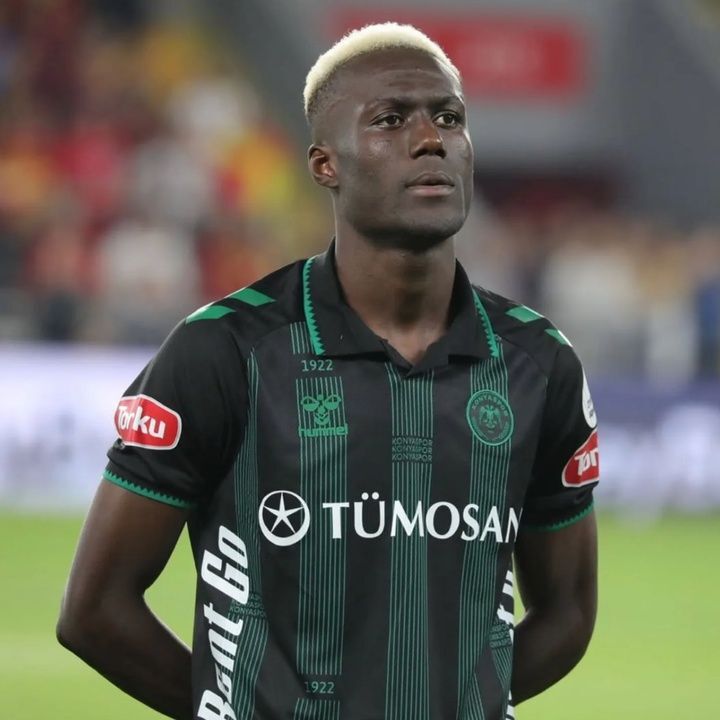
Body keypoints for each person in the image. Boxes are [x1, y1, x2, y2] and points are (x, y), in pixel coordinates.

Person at [57, 23, 599, 720]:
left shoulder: (539, 364)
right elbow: (95, 611)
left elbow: (568, 610)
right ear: (324, 164)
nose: (430, 139)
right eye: (390, 120)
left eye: (449, 117)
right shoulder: (225, 351)